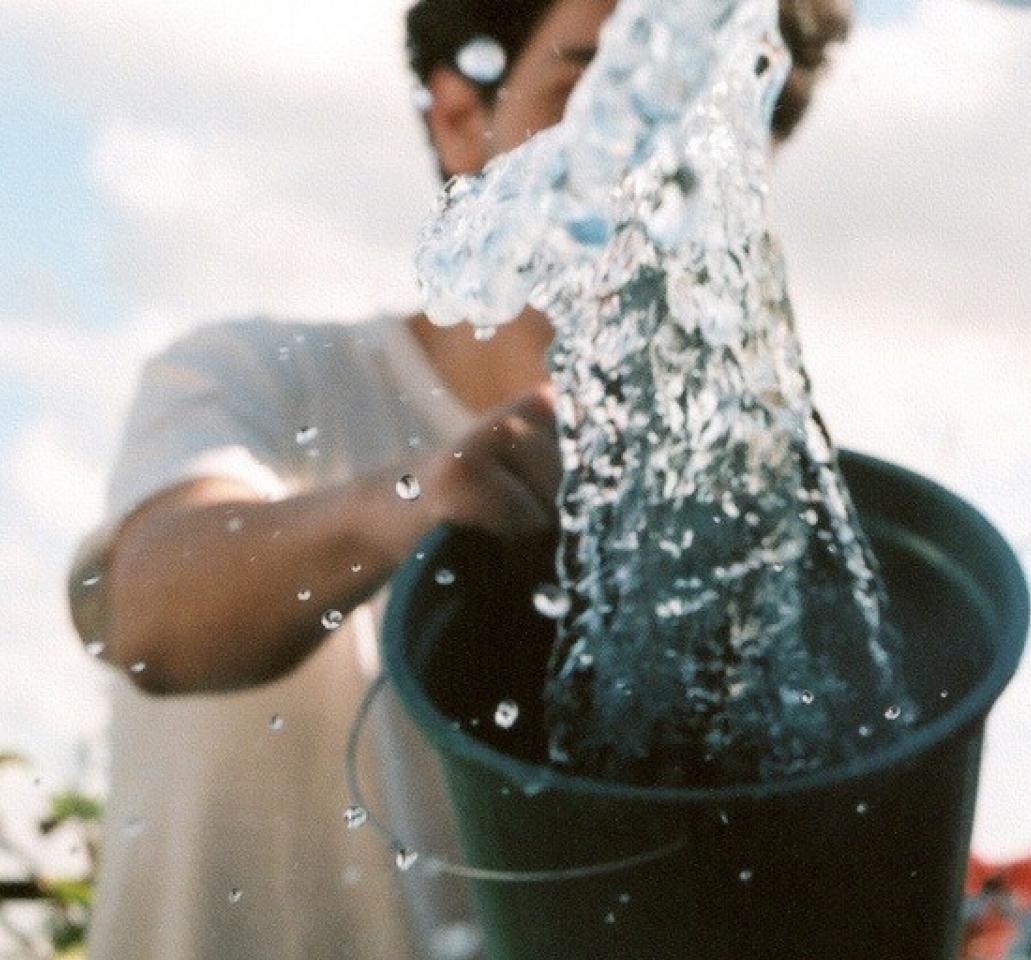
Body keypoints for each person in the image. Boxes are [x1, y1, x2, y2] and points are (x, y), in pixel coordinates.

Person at [67, 0, 851, 956]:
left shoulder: (740, 517)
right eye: (590, 86)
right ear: (458, 121)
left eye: (716, 102)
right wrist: (412, 501)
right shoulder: (259, 383)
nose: (662, 144)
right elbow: (144, 612)